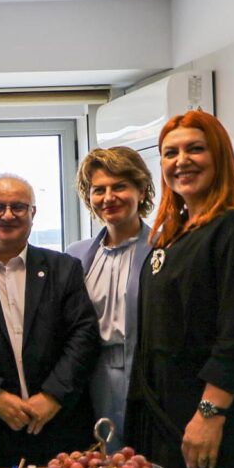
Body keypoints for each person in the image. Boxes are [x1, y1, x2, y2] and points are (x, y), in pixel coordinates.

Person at [127, 110, 234, 468]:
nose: (181, 160)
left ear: (219, 156)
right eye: (170, 153)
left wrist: (209, 414)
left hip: (208, 422)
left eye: (195, 149)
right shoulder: (172, 237)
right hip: (163, 421)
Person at [0, 174, 100, 467]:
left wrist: (53, 396)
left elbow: (84, 335)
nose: (8, 215)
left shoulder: (63, 268)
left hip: (62, 426)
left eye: (19, 207)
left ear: (33, 213)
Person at [66, 147, 154, 450]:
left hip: (144, 375)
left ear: (141, 190)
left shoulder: (166, 248)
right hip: (90, 376)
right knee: (96, 458)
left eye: (119, 186)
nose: (108, 197)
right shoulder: (75, 255)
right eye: (98, 190)